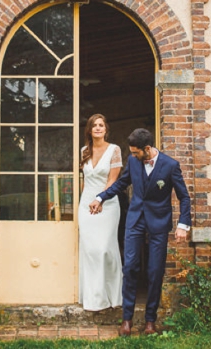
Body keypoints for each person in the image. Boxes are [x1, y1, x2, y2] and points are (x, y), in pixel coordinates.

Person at [89, 128, 191, 336]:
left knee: (154, 272)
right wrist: (101, 197)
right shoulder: (134, 161)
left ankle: (150, 321)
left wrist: (183, 224)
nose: (133, 156)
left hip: (159, 224)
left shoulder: (170, 166)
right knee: (131, 268)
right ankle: (127, 320)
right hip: (135, 221)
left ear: (147, 148)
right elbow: (122, 183)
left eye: (136, 153)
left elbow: (184, 197)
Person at [78, 114, 123, 311]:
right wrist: (86, 201)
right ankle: (94, 298)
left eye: (101, 125)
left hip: (108, 204)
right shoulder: (84, 151)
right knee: (90, 251)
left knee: (105, 249)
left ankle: (112, 295)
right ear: (89, 130)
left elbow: (113, 180)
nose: (98, 128)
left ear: (106, 129)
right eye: (94, 126)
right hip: (86, 205)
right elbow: (84, 179)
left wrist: (101, 198)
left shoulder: (114, 150)